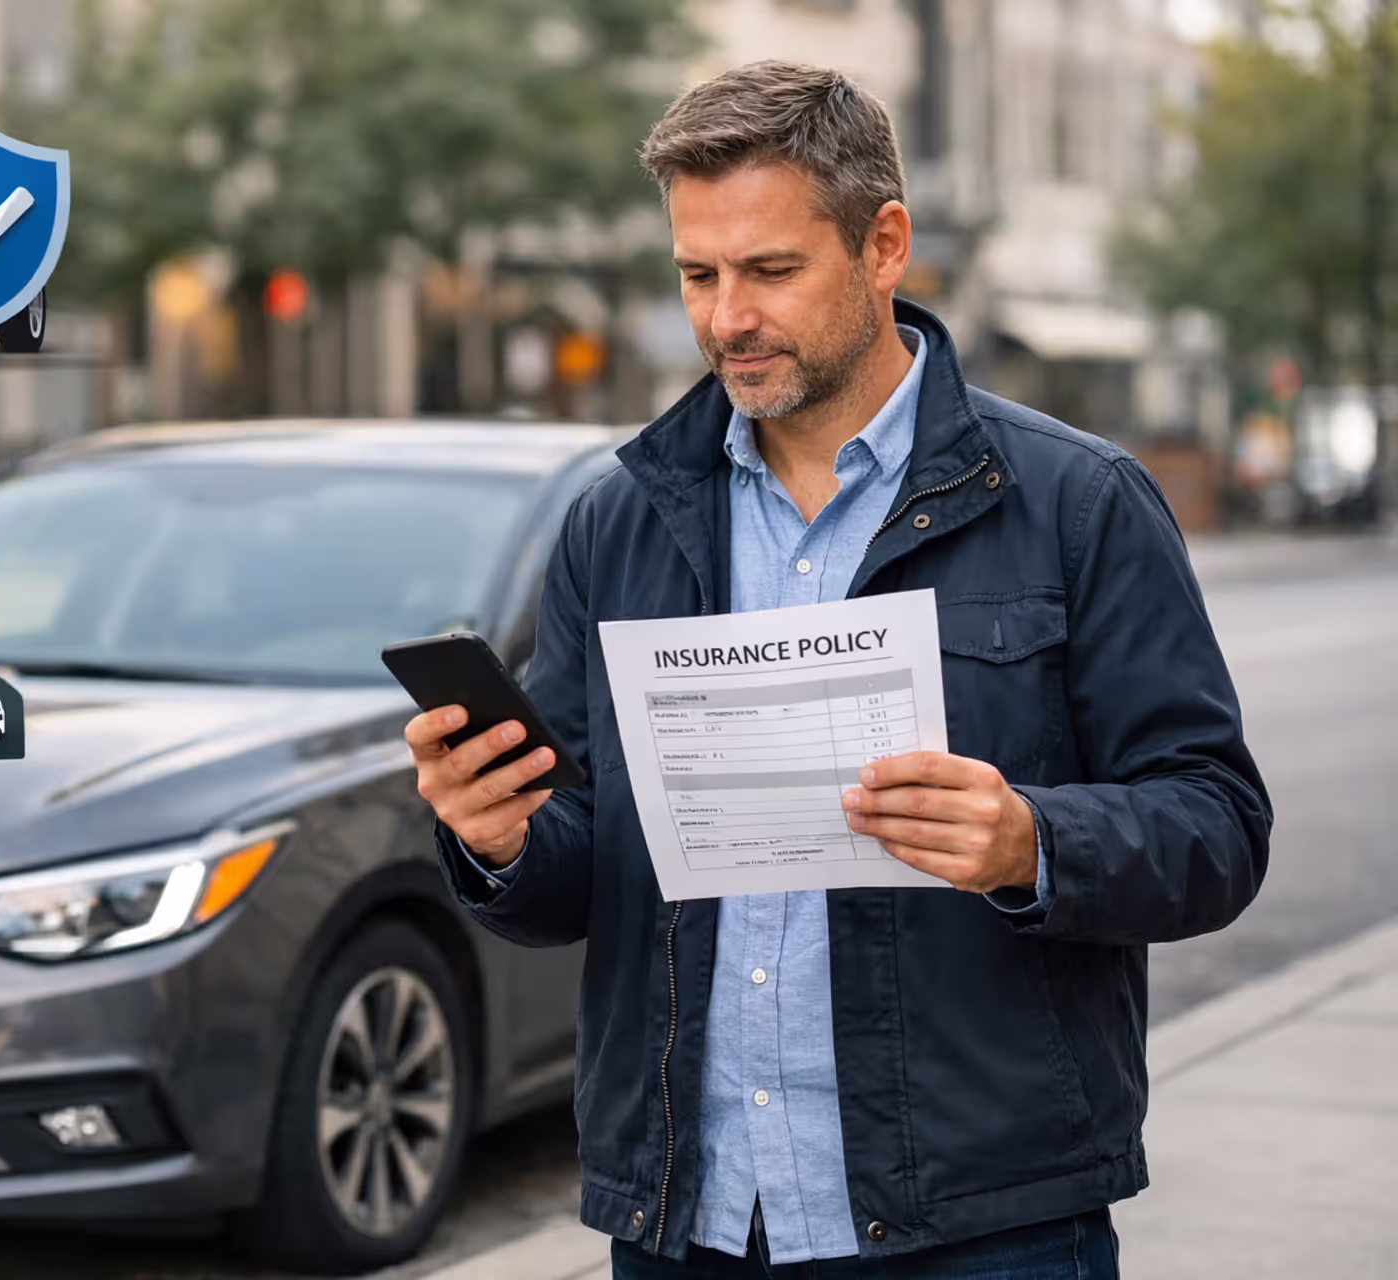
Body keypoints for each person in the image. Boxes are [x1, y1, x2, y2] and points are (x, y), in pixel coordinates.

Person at [405, 61, 1270, 1279]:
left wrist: (1033, 839)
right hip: (689, 1221)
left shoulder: (1078, 502)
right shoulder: (620, 521)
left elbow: (1218, 826)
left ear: (883, 246)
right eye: (697, 275)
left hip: (983, 1224)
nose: (725, 319)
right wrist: (496, 835)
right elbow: (577, 875)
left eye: (769, 271)